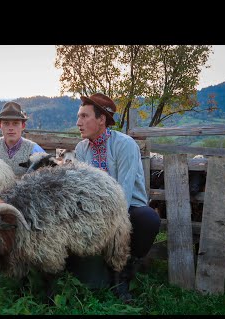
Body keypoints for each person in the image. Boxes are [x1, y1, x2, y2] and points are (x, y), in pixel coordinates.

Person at [66, 93, 161, 301]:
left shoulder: (125, 145)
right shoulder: (82, 148)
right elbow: (83, 187)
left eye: (84, 116)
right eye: (79, 117)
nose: (78, 122)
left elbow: (124, 190)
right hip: (94, 209)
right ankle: (85, 269)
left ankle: (125, 271)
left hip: (127, 206)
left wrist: (110, 221)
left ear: (101, 120)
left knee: (148, 219)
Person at [0, 101, 45, 177]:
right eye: (6, 123)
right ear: (0, 126)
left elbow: (46, 176)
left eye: (15, 123)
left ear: (23, 126)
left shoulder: (34, 150)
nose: (11, 128)